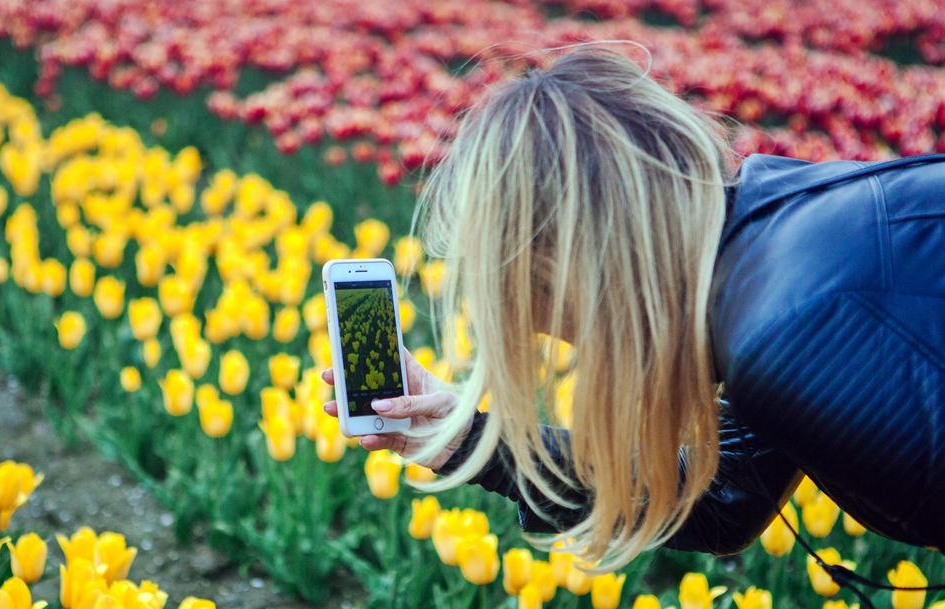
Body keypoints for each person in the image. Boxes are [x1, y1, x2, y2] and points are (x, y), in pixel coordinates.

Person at [322, 45, 945, 568]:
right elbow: (721, 497)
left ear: (559, 273)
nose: (536, 331)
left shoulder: (788, 334)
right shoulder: (762, 238)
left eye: (514, 302)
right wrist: (465, 441)